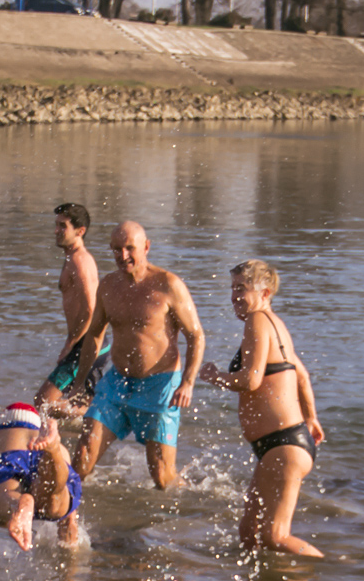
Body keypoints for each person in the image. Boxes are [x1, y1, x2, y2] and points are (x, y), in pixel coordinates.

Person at [201, 260, 324, 558]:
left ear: (265, 292)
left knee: (274, 535)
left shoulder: (258, 320)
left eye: (241, 289)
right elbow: (302, 376)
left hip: (284, 445)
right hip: (283, 443)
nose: (234, 296)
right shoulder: (277, 325)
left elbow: (251, 380)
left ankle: (331, 577)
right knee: (248, 533)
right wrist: (311, 418)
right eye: (232, 289)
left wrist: (215, 375)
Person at [70, 221, 205, 489]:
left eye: (130, 248)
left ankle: (191, 498)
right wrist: (79, 383)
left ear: (146, 247)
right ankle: (66, 515)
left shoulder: (168, 285)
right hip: (117, 382)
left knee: (162, 478)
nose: (123, 256)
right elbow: (95, 335)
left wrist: (188, 382)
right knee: (82, 457)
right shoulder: (108, 286)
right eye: (116, 250)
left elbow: (196, 336)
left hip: (160, 385)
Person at [0, 403, 82, 551]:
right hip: (53, 458)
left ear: (5, 421)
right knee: (55, 496)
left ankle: (17, 503)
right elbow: (69, 523)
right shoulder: (41, 438)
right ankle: (53, 452)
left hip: (9, 454)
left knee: (0, 498)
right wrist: (71, 555)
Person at [34, 203, 108, 419]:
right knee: (76, 400)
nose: (56, 231)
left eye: (62, 226)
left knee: (43, 403)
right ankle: (86, 426)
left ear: (80, 231)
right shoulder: (72, 258)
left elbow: (91, 308)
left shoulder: (80, 261)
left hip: (87, 344)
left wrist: (71, 343)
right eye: (56, 225)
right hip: (86, 343)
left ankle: (100, 414)